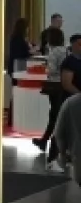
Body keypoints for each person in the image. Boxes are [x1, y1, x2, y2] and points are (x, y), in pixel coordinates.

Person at [35, 27, 69, 170]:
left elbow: (52, 69)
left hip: (54, 86)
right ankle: (45, 142)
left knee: (55, 116)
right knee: (56, 115)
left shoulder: (53, 52)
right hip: (63, 86)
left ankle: (52, 151)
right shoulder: (66, 51)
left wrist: (47, 69)